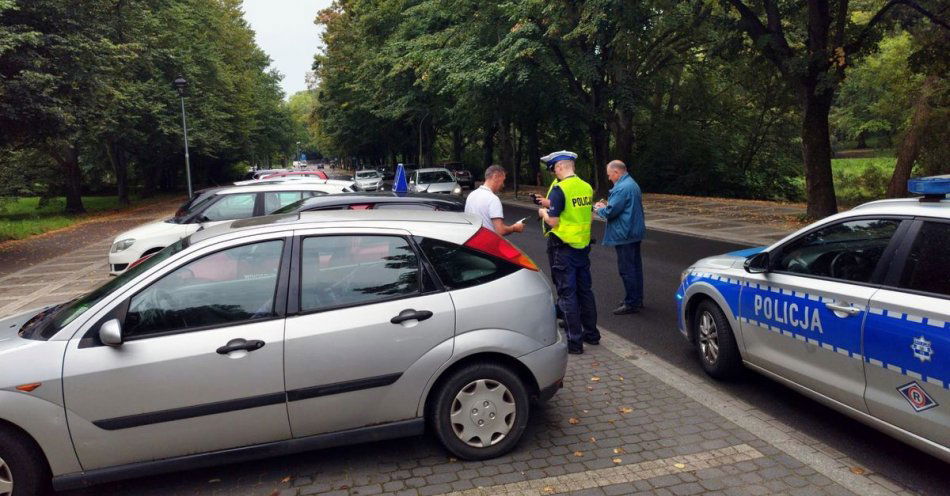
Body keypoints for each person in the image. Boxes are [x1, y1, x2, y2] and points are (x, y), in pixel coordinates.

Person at [537, 150, 599, 354]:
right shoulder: (586, 187)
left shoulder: (560, 189)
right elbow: (589, 217)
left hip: (563, 249)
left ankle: (575, 343)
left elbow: (553, 221)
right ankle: (592, 334)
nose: (554, 172)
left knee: (567, 295)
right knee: (585, 292)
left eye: (554, 168)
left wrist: (543, 212)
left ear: (561, 166)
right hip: (582, 247)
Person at [595, 160, 645, 315]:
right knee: (635, 268)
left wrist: (598, 209)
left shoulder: (621, 188)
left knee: (626, 269)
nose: (609, 178)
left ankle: (631, 303)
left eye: (610, 175)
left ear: (616, 172)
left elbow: (611, 212)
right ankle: (637, 298)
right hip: (634, 232)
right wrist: (608, 206)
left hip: (624, 233)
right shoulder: (632, 183)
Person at [465, 165, 525, 236]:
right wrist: (514, 228)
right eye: (503, 180)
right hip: (487, 243)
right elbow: (500, 230)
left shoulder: (471, 195)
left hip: (471, 241)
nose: (503, 185)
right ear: (495, 176)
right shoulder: (493, 199)